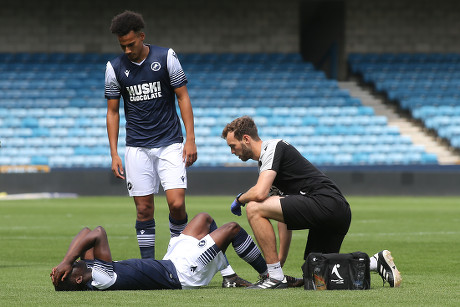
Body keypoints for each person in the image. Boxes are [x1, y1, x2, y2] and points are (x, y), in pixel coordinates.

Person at [105, 10, 248, 287]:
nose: (127, 49)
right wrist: (113, 153)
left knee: (177, 204)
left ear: (142, 37)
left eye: (131, 44)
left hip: (170, 143)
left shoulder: (165, 57)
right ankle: (148, 267)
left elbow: (183, 96)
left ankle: (175, 256)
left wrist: (190, 138)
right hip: (137, 148)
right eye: (122, 46)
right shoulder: (114, 68)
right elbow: (112, 112)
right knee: (144, 210)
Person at [221, 116, 401, 289]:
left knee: (253, 207)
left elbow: (259, 193)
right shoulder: (266, 165)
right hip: (336, 210)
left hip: (325, 203)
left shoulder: (273, 147)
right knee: (314, 272)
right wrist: (279, 261)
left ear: (246, 139)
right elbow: (282, 217)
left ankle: (275, 278)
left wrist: (240, 199)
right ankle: (374, 262)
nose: (232, 152)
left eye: (232, 146)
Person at [50, 212, 268, 291]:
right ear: (79, 279)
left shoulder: (88, 270)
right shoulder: (101, 278)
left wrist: (65, 263)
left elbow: (85, 232)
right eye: (72, 268)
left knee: (204, 218)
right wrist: (67, 260)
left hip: (170, 262)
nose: (76, 262)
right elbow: (98, 232)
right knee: (232, 228)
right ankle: (268, 276)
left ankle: (228, 275)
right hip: (184, 274)